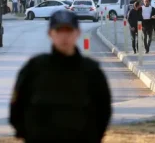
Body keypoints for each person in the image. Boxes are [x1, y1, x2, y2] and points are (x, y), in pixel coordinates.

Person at [9, 10, 112, 143]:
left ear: (77, 33)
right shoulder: (34, 69)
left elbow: (104, 110)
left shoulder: (91, 72)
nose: (64, 37)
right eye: (59, 31)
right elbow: (16, 107)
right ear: (50, 34)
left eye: (68, 31)